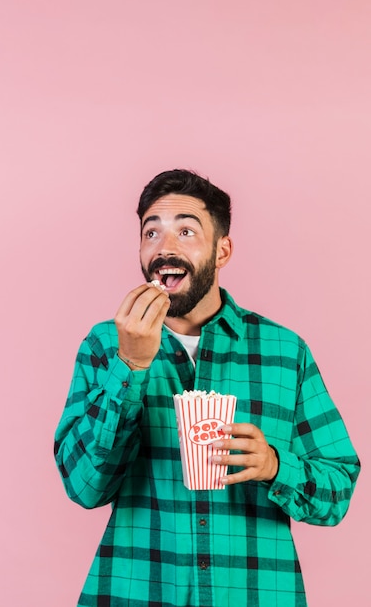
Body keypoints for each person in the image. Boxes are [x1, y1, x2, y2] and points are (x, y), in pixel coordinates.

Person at [54, 169, 360, 607]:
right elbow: (85, 489)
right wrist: (131, 365)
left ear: (222, 250)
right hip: (135, 591)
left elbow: (339, 488)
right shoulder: (106, 344)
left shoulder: (284, 351)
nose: (165, 248)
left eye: (185, 231)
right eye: (151, 233)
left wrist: (276, 465)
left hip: (254, 595)